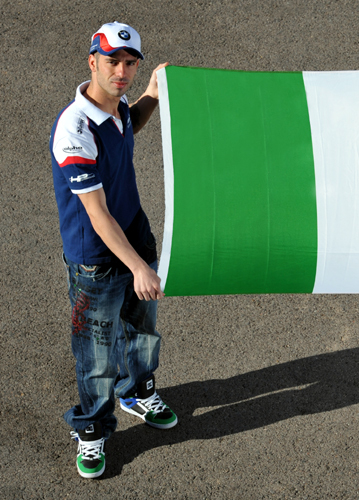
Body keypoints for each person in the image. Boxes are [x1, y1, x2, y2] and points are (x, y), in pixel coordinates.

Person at [50, 22, 176, 479]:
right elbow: (97, 214)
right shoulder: (74, 129)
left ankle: (137, 391)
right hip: (96, 262)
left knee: (142, 332)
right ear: (92, 62)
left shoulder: (118, 106)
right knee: (96, 355)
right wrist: (140, 266)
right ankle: (92, 428)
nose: (121, 71)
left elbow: (130, 125)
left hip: (134, 239)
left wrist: (154, 93)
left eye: (130, 63)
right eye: (112, 62)